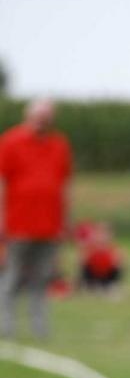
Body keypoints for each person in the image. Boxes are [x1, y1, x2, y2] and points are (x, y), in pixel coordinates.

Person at [0, 98, 72, 339]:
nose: (43, 120)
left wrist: (66, 220)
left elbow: (64, 185)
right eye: (39, 115)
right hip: (18, 221)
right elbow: (2, 182)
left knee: (42, 279)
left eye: (47, 115)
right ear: (29, 116)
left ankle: (40, 328)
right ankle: (6, 326)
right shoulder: (11, 141)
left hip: (49, 224)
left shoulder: (59, 144)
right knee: (13, 276)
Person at [79, 222, 125, 293]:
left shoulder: (113, 248)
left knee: (119, 265)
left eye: (104, 234)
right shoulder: (90, 247)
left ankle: (112, 285)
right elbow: (83, 262)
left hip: (106, 276)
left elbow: (118, 262)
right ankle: (88, 285)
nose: (101, 236)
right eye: (99, 233)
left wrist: (117, 260)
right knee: (83, 265)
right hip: (93, 276)